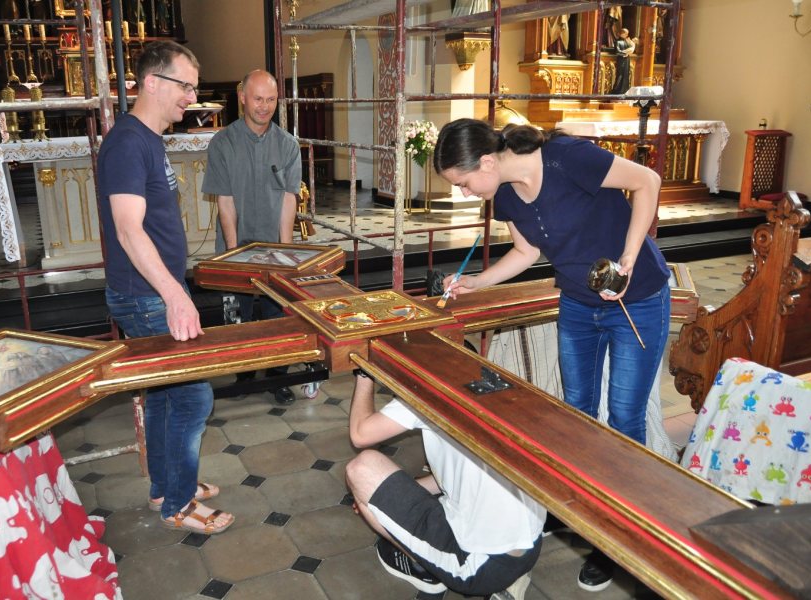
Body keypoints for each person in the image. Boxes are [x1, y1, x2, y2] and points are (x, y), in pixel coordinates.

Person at [434, 119, 669, 592]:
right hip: (579, 305)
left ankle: (621, 540)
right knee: (575, 414)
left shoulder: (567, 158)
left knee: (624, 418)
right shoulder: (504, 194)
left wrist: (627, 259)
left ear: (487, 161)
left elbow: (648, 181)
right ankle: (580, 513)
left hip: (638, 299)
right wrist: (476, 282)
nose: (463, 193)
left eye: (463, 183)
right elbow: (526, 251)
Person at [97, 40, 233, 536]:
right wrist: (174, 296)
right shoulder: (128, 143)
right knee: (194, 398)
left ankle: (166, 485)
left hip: (154, 291)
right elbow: (128, 229)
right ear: (152, 82)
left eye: (194, 88)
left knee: (162, 396)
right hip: (147, 296)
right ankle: (177, 502)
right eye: (186, 87)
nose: (192, 98)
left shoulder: (149, 139)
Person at [345, 371, 546, 598]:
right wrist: (388, 499)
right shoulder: (494, 382)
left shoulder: (426, 389)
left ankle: (426, 571)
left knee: (361, 469)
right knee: (387, 493)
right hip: (528, 548)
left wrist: (364, 373)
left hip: (478, 565)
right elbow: (458, 476)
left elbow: (360, 434)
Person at [202, 69, 301, 405]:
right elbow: (226, 201)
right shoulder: (223, 143)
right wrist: (233, 256)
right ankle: (243, 373)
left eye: (271, 100)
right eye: (258, 98)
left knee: (278, 314)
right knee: (237, 316)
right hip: (237, 244)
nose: (264, 106)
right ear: (242, 97)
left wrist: (286, 254)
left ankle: (277, 377)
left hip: (274, 247)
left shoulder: (287, 145)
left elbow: (288, 200)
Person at [610, 28, 637, 95]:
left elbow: (631, 48)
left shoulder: (626, 41)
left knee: (626, 75)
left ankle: (624, 90)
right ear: (622, 34)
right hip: (621, 60)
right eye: (626, 34)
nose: (627, 35)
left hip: (627, 60)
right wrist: (624, 53)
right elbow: (617, 52)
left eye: (627, 34)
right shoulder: (617, 42)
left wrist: (633, 44)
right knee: (620, 75)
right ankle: (617, 91)